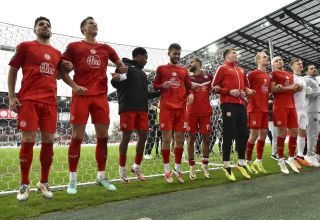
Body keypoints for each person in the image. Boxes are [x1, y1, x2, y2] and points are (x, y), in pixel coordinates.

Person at [59, 16, 128, 194]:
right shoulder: (74, 47)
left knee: (103, 137)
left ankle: (101, 176)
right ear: (83, 29)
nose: (94, 25)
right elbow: (61, 71)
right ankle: (72, 180)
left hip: (100, 97)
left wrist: (121, 75)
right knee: (77, 136)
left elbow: (122, 69)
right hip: (81, 95)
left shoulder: (106, 48)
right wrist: (74, 86)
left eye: (96, 23)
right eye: (91, 23)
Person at [7, 17, 63, 201]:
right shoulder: (25, 46)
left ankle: (43, 182)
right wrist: (11, 96)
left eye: (48, 24)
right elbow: (13, 69)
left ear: (51, 30)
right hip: (29, 100)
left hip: (50, 102)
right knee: (28, 139)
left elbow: (59, 75)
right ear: (35, 29)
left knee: (49, 141)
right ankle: (24, 184)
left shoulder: (57, 53)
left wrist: (66, 69)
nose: (45, 27)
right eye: (41, 25)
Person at [111, 47, 160, 183]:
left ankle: (137, 166)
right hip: (128, 107)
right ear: (137, 56)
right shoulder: (124, 65)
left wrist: (161, 92)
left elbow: (146, 94)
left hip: (142, 109)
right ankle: (122, 168)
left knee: (144, 136)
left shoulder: (143, 74)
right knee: (126, 137)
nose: (146, 60)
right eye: (145, 57)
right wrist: (115, 79)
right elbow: (116, 82)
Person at [212, 48, 254, 181]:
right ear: (227, 56)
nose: (236, 55)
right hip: (228, 103)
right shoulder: (222, 68)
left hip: (242, 104)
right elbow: (214, 87)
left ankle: (241, 163)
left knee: (244, 133)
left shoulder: (241, 70)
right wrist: (229, 91)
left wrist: (248, 91)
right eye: (233, 53)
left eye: (236, 53)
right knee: (229, 133)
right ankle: (226, 164)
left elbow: (246, 86)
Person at [153, 43, 192, 184]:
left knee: (180, 139)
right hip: (166, 108)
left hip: (181, 109)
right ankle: (166, 170)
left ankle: (177, 168)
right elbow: (154, 85)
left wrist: (191, 94)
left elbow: (189, 87)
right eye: (174, 53)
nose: (177, 56)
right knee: (167, 139)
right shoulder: (161, 69)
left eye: (179, 54)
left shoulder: (184, 71)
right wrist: (161, 86)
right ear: (169, 53)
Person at [270, 56, 301, 174]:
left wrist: (296, 88)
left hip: (291, 105)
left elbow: (291, 89)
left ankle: (291, 158)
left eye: (280, 60)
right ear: (273, 65)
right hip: (280, 106)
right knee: (282, 132)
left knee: (294, 132)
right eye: (276, 61)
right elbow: (272, 89)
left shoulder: (289, 74)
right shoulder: (273, 73)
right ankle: (281, 160)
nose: (279, 61)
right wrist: (288, 87)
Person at [186, 58, 213, 180]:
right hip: (191, 113)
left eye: (193, 62)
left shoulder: (208, 77)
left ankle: (205, 165)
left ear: (199, 64)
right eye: (190, 63)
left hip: (205, 112)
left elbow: (216, 86)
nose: (190, 64)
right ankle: (191, 166)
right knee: (191, 138)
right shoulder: (188, 79)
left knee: (206, 138)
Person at [244, 52, 270, 174]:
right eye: (264, 57)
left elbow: (267, 90)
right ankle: (247, 161)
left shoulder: (267, 75)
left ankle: (258, 161)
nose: (267, 58)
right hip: (254, 108)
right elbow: (243, 85)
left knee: (264, 134)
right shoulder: (252, 74)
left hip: (264, 108)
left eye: (267, 56)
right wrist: (247, 91)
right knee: (254, 135)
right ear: (258, 60)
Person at [290, 58, 311, 167]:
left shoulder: (303, 78)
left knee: (303, 131)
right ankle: (291, 157)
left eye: (301, 63)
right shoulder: (291, 77)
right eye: (298, 64)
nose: (300, 65)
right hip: (295, 108)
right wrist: (293, 88)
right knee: (294, 132)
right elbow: (287, 91)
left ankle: (300, 155)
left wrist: (307, 91)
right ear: (292, 66)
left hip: (303, 109)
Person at [304, 64, 320, 166]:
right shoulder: (307, 80)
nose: (314, 70)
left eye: (314, 68)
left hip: (316, 109)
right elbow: (306, 93)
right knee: (312, 134)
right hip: (311, 110)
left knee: (315, 133)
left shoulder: (315, 80)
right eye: (311, 68)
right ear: (306, 71)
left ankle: (313, 154)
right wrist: (318, 92)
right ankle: (310, 155)